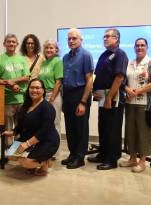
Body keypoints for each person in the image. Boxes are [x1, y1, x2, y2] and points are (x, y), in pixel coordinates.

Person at [120, 38, 151, 173]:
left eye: (142, 45)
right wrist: (127, 90)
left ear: (147, 47)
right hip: (130, 103)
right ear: (134, 48)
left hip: (145, 104)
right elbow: (124, 81)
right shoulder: (130, 63)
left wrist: (137, 91)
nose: (139, 47)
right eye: (137, 45)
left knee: (143, 133)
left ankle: (142, 161)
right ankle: (132, 158)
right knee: (130, 132)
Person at [89, 28, 129, 170]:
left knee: (113, 129)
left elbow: (119, 77)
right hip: (102, 96)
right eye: (104, 36)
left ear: (116, 39)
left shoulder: (120, 54)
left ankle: (112, 160)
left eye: (108, 36)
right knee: (103, 126)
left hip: (114, 97)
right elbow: (97, 75)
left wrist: (109, 98)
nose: (105, 38)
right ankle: (103, 154)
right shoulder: (104, 55)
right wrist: (94, 91)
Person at [2, 79, 60, 176]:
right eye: (32, 88)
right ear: (28, 89)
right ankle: (34, 161)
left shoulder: (47, 107)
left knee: (25, 162)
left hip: (47, 140)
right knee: (11, 155)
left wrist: (27, 144)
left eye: (37, 88)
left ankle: (45, 162)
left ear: (43, 91)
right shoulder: (26, 105)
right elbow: (21, 124)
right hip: (29, 138)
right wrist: (13, 132)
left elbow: (44, 131)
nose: (34, 90)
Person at [61, 28, 94, 169]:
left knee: (81, 128)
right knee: (70, 128)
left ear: (81, 40)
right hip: (68, 95)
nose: (71, 41)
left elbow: (89, 80)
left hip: (80, 94)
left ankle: (80, 157)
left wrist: (83, 102)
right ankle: (72, 154)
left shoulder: (86, 55)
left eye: (74, 38)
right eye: (69, 38)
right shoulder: (65, 57)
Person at [0, 33, 30, 137]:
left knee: (21, 127)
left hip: (21, 99)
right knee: (7, 129)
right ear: (4, 44)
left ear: (17, 44)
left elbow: (27, 77)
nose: (11, 43)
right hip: (7, 100)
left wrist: (12, 81)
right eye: (9, 42)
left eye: (13, 42)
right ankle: (7, 152)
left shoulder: (22, 59)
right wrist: (7, 83)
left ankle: (18, 151)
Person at [38, 39, 63, 141]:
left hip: (53, 95)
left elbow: (59, 81)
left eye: (51, 47)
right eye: (47, 47)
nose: (49, 49)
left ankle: (55, 152)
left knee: (55, 122)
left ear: (56, 50)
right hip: (43, 95)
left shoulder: (57, 61)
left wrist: (52, 98)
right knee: (45, 123)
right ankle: (46, 149)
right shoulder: (44, 63)